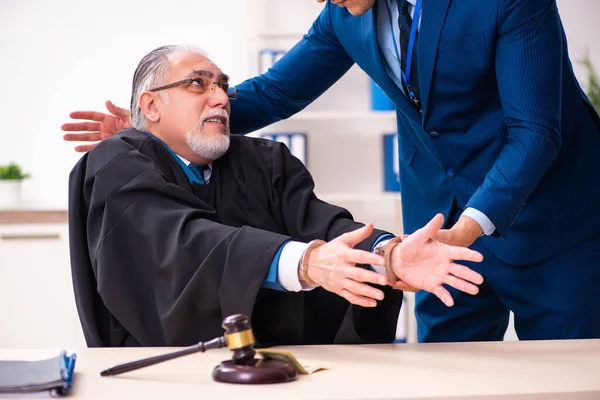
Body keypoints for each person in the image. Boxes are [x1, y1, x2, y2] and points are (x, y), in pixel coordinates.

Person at [63, 0, 600, 343]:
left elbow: (535, 134)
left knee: (566, 373)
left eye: (216, 85)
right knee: (448, 372)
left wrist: (463, 232)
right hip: (435, 224)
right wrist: (161, 129)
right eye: (199, 85)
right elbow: (277, 91)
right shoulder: (344, 14)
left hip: (546, 216)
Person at [68, 45, 484, 347]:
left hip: (280, 376)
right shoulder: (114, 163)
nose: (220, 98)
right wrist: (304, 262)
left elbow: (325, 226)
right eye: (198, 83)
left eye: (223, 87)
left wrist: (387, 255)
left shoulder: (264, 160)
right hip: (165, 379)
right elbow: (183, 244)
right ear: (151, 105)